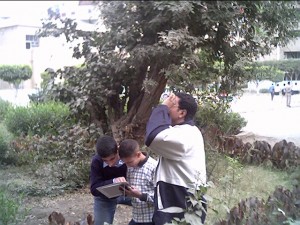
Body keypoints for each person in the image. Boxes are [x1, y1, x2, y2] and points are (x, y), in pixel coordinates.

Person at [145, 92, 207, 225]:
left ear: (181, 113)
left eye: (170, 105)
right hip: (178, 192)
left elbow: (153, 137)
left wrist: (161, 107)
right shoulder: (183, 131)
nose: (166, 109)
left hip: (179, 194)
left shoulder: (185, 133)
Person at [90, 135, 131, 225]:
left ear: (117, 150)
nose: (110, 164)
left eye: (112, 158)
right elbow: (94, 189)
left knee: (153, 203)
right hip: (105, 197)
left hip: (129, 192)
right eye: (106, 161)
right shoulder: (96, 161)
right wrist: (113, 181)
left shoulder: (127, 153)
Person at [118, 139, 158, 225]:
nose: (128, 165)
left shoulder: (154, 167)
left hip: (151, 219)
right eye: (125, 163)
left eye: (130, 162)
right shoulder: (129, 166)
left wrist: (140, 195)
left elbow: (161, 199)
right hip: (136, 217)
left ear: (138, 154)